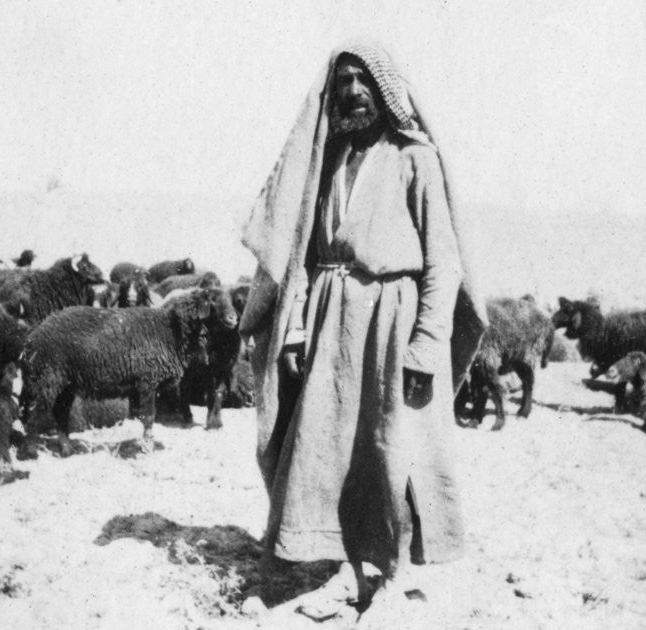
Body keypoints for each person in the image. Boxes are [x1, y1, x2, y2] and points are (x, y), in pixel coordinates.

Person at [239, 42, 487, 617]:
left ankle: (394, 574)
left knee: (392, 451)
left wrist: (428, 342)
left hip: (393, 320)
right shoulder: (326, 165)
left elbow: (443, 261)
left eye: (362, 79)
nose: (352, 90)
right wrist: (297, 327)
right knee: (326, 450)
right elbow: (303, 256)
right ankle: (343, 570)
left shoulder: (413, 159)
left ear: (384, 89)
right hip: (330, 321)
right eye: (343, 80)